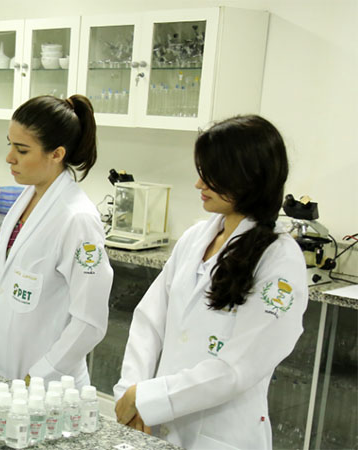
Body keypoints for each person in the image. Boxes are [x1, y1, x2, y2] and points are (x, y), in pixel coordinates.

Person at [113, 115, 308, 449]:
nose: (199, 184)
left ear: (247, 178)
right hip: (156, 425)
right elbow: (149, 321)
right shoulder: (195, 239)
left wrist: (150, 397)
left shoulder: (280, 260)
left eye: (211, 175)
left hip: (222, 435)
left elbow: (238, 368)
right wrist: (132, 391)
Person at [0, 95, 112, 388]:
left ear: (57, 154)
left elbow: (90, 321)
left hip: (47, 385)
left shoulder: (78, 219)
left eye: (22, 150)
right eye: (10, 144)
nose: (9, 157)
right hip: (4, 369)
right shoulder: (28, 198)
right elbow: (6, 285)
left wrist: (40, 373)